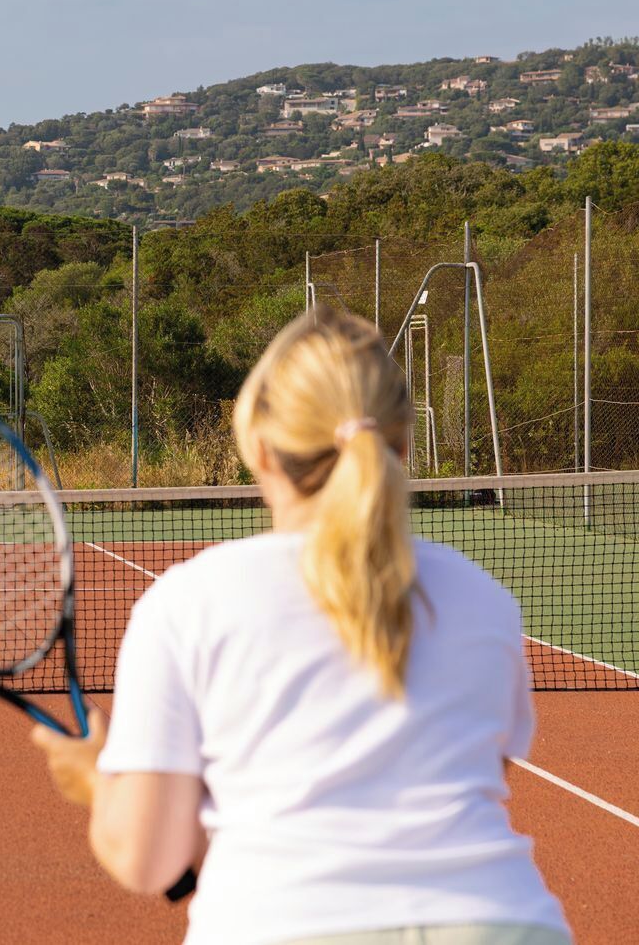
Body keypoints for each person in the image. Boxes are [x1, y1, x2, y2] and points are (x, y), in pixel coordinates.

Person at [32, 309, 569, 945]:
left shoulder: (187, 603)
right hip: (506, 926)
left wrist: (95, 778)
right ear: (401, 446)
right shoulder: (487, 603)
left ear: (258, 447)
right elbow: (456, 792)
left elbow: (148, 860)